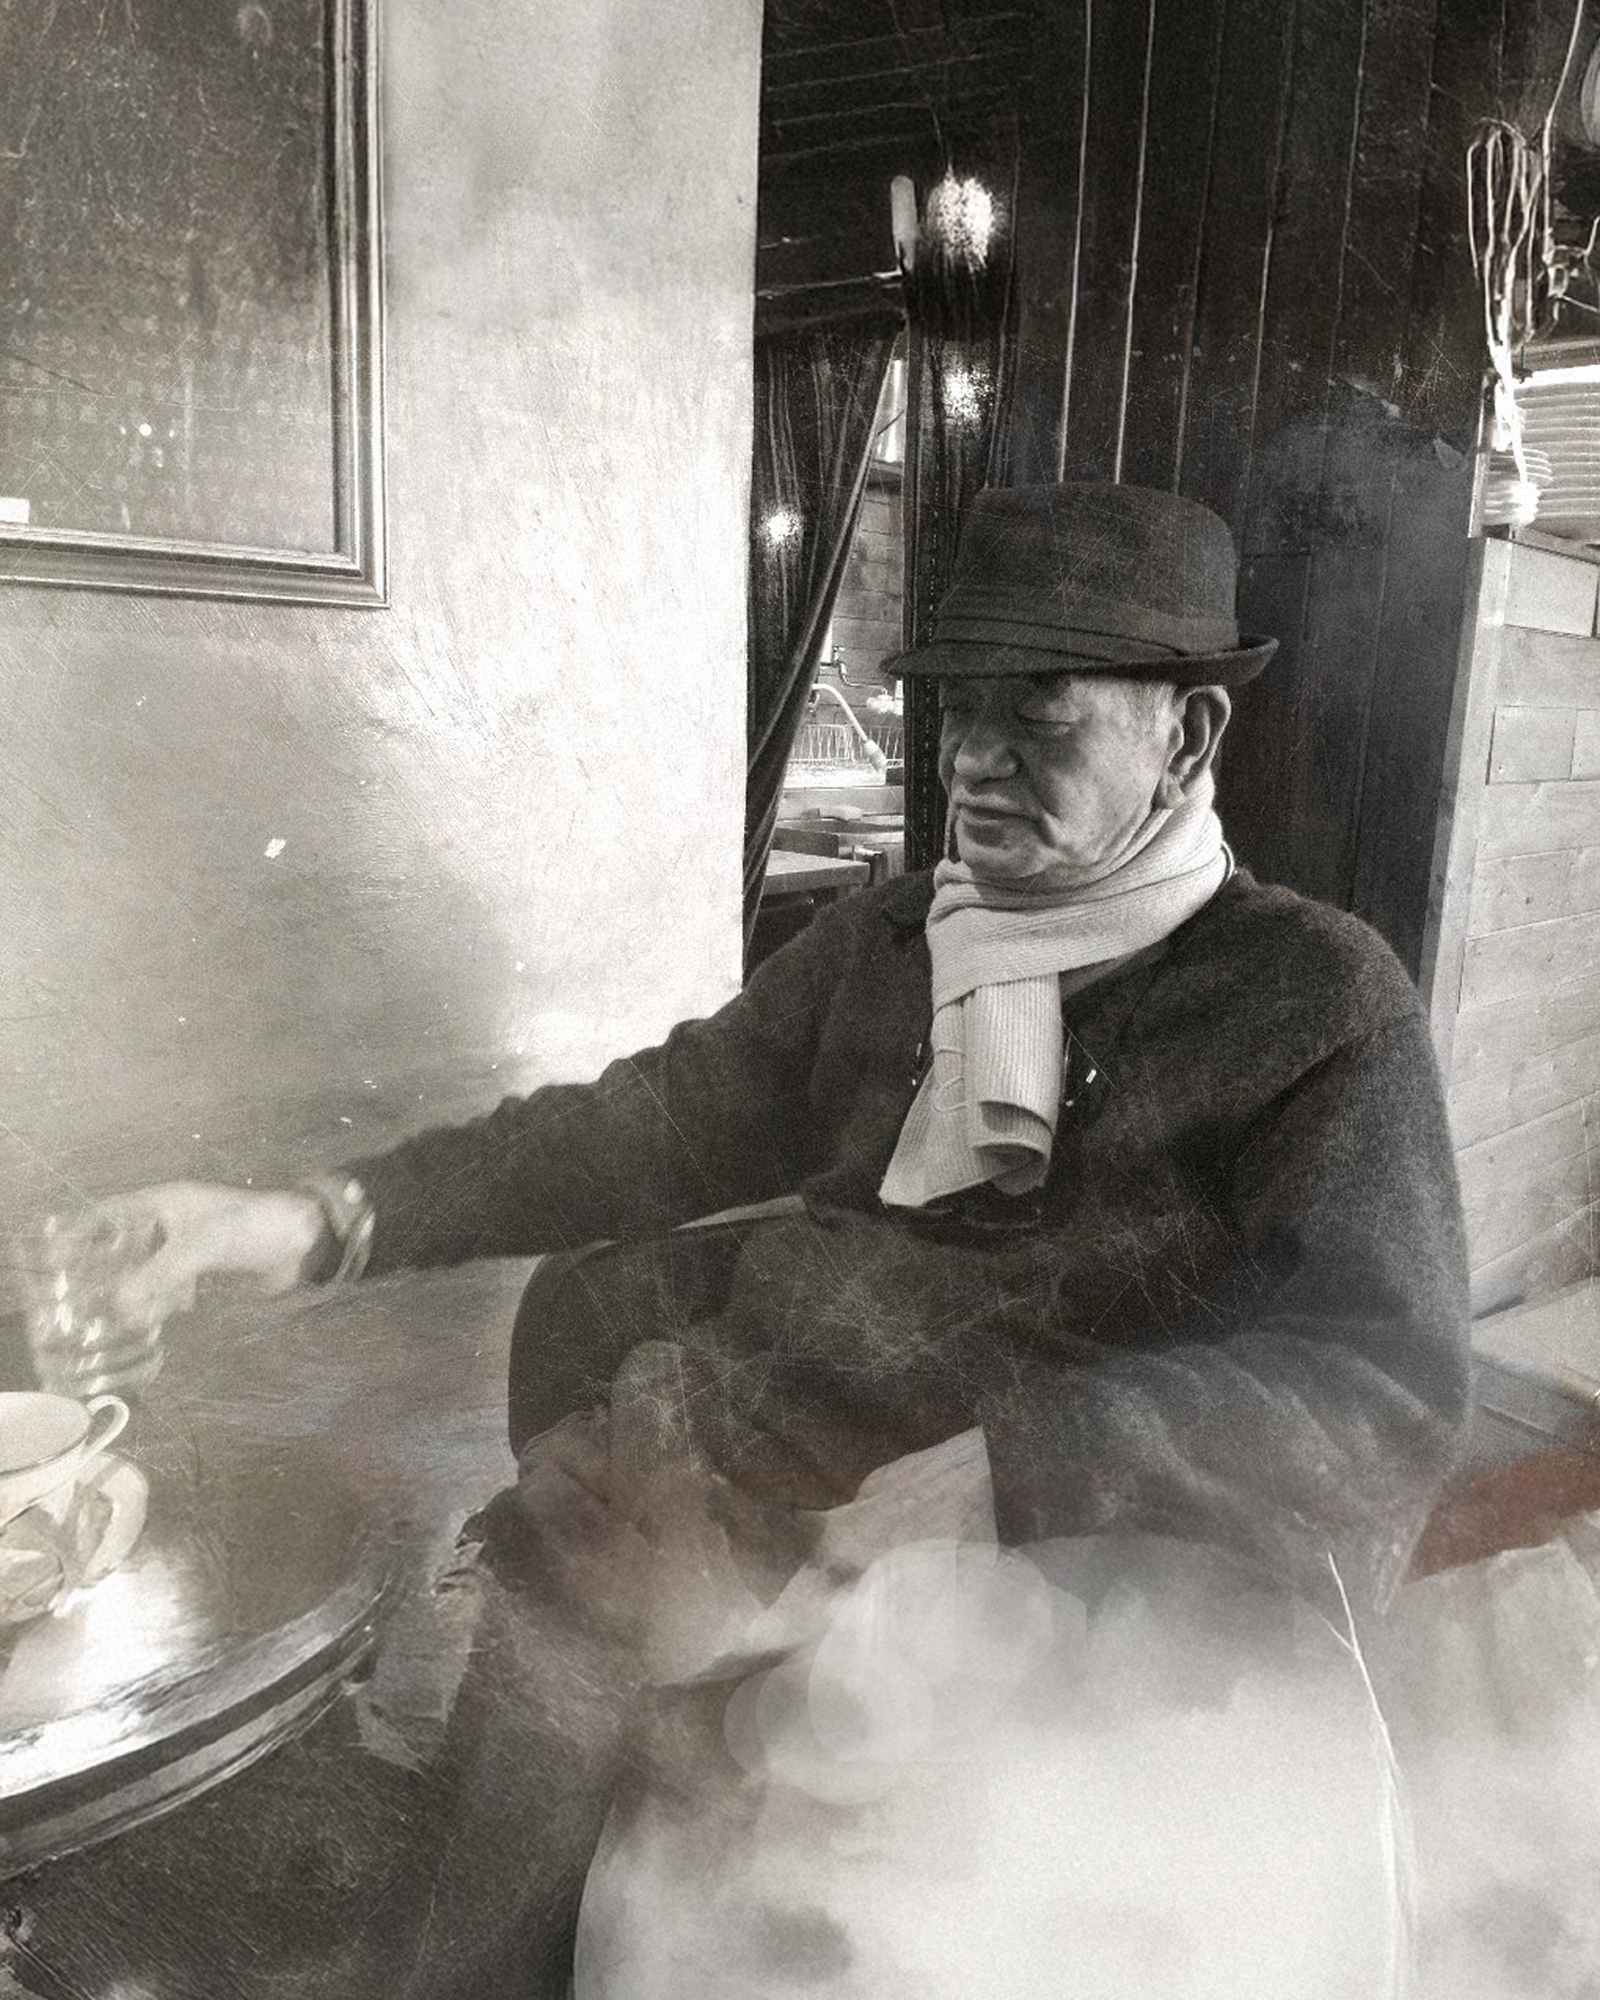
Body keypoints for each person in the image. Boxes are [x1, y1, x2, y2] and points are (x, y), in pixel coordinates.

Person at [93, 481, 1471, 1992]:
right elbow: (647, 1124)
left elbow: (1377, 1388)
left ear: (1188, 737)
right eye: (959, 712)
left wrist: (1007, 1471)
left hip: (1062, 1605)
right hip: (736, 1506)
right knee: (537, 1682)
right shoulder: (892, 943)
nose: (976, 761)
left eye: (1039, 719)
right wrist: (310, 1219)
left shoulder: (1311, 1002)